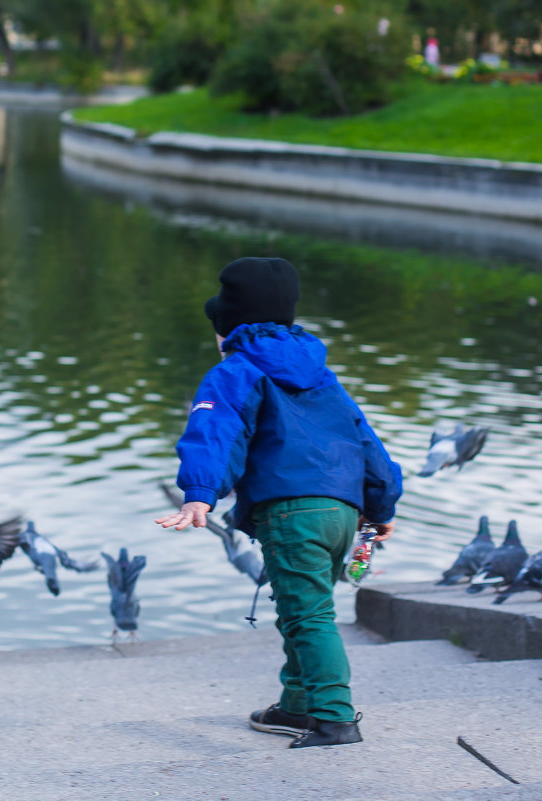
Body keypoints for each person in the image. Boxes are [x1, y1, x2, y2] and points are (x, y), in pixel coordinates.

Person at [156, 257, 402, 749]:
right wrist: (382, 507)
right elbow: (368, 443)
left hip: (292, 512)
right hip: (343, 513)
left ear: (229, 328)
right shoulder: (323, 377)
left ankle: (334, 718)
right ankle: (296, 705)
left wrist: (200, 494)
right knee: (300, 605)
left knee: (308, 615)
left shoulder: (236, 371)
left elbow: (215, 432)